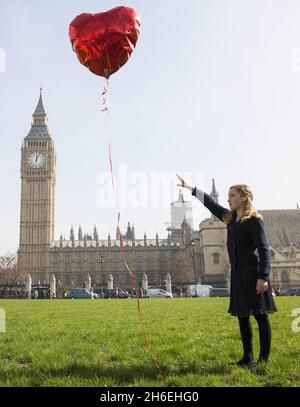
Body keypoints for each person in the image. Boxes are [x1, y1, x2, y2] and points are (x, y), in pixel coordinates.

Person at [176, 174, 278, 369]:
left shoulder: (255, 221)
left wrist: (263, 276)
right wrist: (191, 188)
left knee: (260, 315)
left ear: (243, 198)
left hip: (253, 272)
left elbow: (264, 249)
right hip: (238, 273)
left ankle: (264, 360)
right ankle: (247, 357)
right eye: (228, 195)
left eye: (232, 195)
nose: (228, 198)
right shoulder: (230, 220)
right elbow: (211, 204)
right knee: (242, 315)